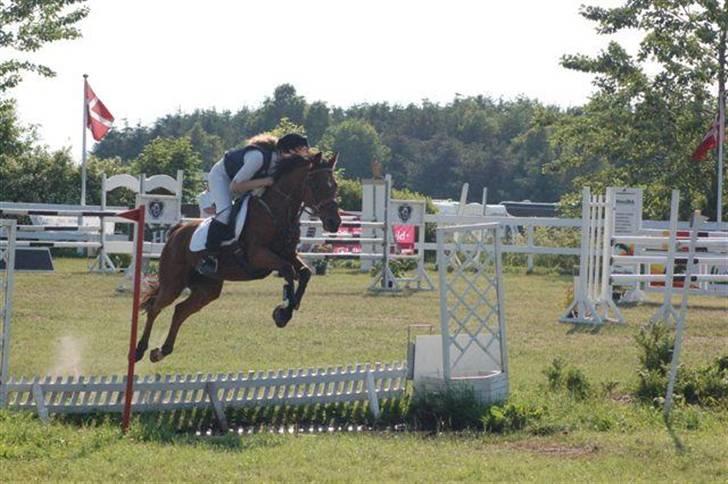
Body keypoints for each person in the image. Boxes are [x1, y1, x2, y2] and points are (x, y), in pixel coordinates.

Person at [197, 132, 310, 275]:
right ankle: (209, 257)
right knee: (225, 213)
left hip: (245, 181)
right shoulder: (258, 157)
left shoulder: (280, 164)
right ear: (288, 151)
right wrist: (266, 181)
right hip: (223, 177)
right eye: (300, 154)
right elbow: (235, 187)